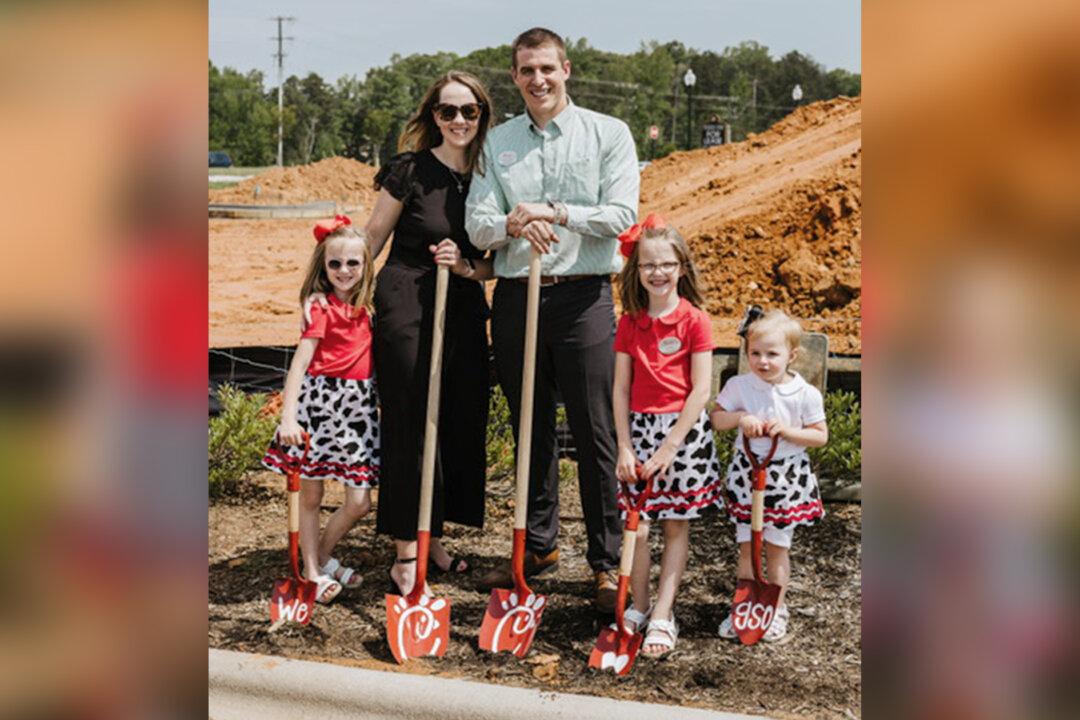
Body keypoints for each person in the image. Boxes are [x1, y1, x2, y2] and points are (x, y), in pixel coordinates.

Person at [465, 27, 640, 612]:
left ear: (567, 69)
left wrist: (554, 211)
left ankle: (607, 559)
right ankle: (537, 546)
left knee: (595, 431)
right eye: (525, 71)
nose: (537, 80)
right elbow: (477, 223)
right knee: (530, 426)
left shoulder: (607, 134)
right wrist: (515, 222)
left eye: (547, 68)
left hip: (583, 298)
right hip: (516, 298)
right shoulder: (498, 142)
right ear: (514, 77)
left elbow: (621, 214)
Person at [308, 72, 496, 597]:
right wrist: (336, 294)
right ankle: (405, 552)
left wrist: (466, 267)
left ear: (483, 115)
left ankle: (432, 533)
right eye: (447, 111)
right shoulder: (409, 170)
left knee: (456, 416)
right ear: (432, 115)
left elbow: (493, 265)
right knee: (413, 417)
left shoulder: (489, 175)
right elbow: (370, 240)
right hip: (408, 299)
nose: (458, 120)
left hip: (460, 302)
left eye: (469, 111)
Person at [612, 214, 722, 657]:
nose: (657, 273)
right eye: (648, 265)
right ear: (636, 271)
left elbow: (701, 389)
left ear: (681, 267)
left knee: (676, 526)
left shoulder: (696, 321)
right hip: (638, 429)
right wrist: (623, 444)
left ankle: (662, 611)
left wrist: (670, 446)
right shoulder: (630, 322)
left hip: (683, 435)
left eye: (666, 264)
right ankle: (637, 605)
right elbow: (620, 388)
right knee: (636, 527)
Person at [262, 216, 379, 603]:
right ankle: (312, 570)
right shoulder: (319, 308)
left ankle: (324, 554)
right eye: (334, 264)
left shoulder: (371, 309)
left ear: (365, 265)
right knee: (310, 498)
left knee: (359, 502)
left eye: (352, 263)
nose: (344, 271)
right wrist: (289, 416)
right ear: (322, 266)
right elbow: (299, 363)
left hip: (357, 411)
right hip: (319, 405)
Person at [711, 309, 829, 641]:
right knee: (747, 545)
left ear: (792, 355)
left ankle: (775, 609)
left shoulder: (804, 394)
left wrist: (789, 431)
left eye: (772, 354)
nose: (762, 361)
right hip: (747, 476)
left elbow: (820, 436)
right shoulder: (738, 386)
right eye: (755, 353)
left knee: (777, 546)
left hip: (785, 481)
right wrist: (740, 418)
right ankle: (745, 607)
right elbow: (717, 420)